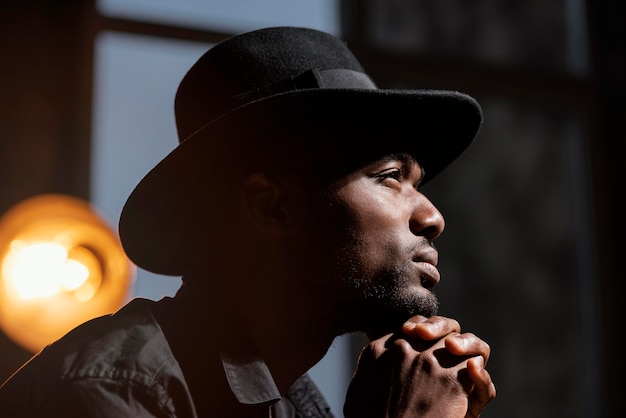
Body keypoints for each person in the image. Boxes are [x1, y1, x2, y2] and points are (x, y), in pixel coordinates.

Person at [0, 26, 496, 417]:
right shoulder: (116, 391)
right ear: (270, 205)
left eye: (419, 183)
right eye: (389, 176)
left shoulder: (294, 406)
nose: (432, 217)